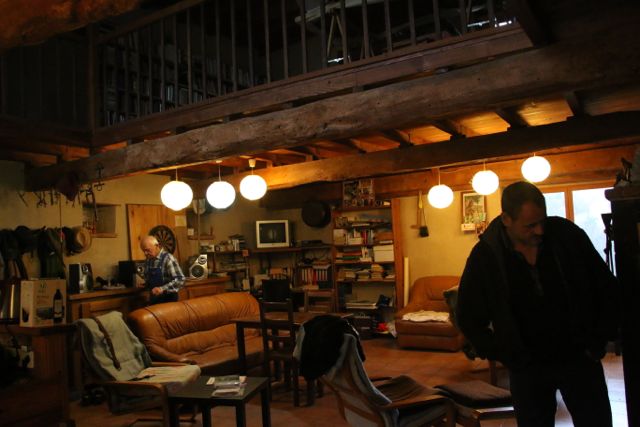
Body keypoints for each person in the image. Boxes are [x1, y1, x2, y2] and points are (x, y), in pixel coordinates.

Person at [456, 181, 619, 427]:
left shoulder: (567, 236)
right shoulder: (486, 256)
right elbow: (468, 316)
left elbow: (606, 287)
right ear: (506, 219)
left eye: (542, 221)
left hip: (579, 358)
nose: (540, 231)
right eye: (530, 225)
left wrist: (598, 339)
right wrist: (505, 353)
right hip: (527, 368)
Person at [138, 235, 185, 305]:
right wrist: (145, 284)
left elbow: (180, 280)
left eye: (147, 250)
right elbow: (151, 280)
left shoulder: (168, 258)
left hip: (168, 302)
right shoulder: (148, 260)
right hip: (154, 301)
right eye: (144, 251)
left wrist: (162, 289)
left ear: (157, 246)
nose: (145, 253)